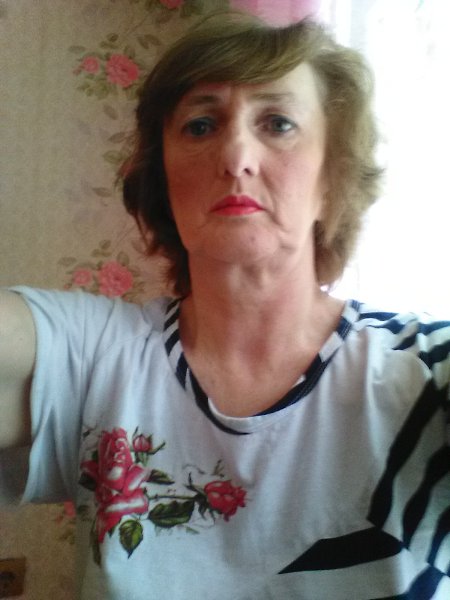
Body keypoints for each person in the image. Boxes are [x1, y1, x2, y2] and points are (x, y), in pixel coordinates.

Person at [1, 11, 449, 600]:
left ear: (330, 178)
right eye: (201, 125)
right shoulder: (93, 358)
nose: (236, 155)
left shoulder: (422, 371)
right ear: (164, 178)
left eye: (279, 123)